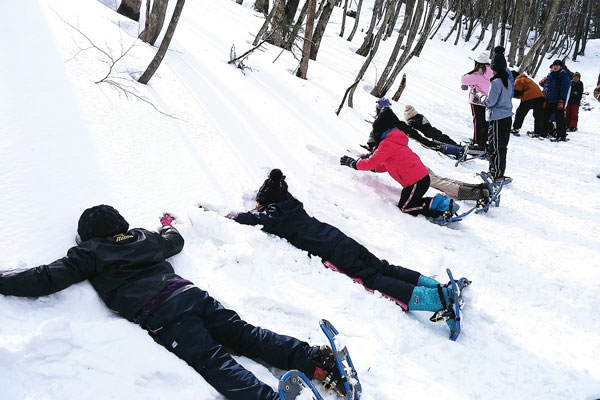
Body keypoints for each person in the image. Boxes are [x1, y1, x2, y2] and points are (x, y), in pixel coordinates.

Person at [0, 205, 345, 400]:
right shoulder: (142, 237)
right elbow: (174, 240)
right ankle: (315, 358)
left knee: (213, 361)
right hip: (191, 294)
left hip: (162, 312)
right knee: (246, 335)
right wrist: (166, 226)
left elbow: (45, 278)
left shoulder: (89, 252)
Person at [229, 169, 465, 338]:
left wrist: (230, 216)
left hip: (334, 253)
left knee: (373, 280)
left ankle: (437, 300)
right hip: (342, 239)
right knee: (385, 267)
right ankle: (438, 288)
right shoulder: (293, 205)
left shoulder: (275, 215)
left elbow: (251, 219)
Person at [340, 99, 457, 220]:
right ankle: (441, 204)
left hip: (416, 182)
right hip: (418, 180)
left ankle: (440, 210)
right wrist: (373, 169)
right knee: (410, 202)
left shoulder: (387, 144)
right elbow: (385, 165)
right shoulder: (394, 141)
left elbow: (372, 162)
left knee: (405, 207)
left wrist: (354, 164)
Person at [472, 46, 513, 182]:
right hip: (507, 117)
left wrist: (479, 96)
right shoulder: (508, 80)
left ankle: (496, 174)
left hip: (497, 118)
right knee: (502, 146)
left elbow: (490, 102)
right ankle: (498, 172)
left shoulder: (496, 82)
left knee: (495, 146)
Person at [461, 51, 493, 151]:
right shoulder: (489, 72)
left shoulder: (479, 73)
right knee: (482, 121)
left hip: (476, 99)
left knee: (477, 121)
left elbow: (464, 79)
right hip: (484, 98)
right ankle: (483, 140)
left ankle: (477, 142)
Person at [539, 59, 570, 141]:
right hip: (550, 99)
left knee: (559, 118)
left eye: (557, 65)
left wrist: (561, 99)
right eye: (554, 65)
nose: (555, 67)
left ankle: (561, 135)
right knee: (545, 116)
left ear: (561, 67)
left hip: (558, 100)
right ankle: (543, 132)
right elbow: (548, 87)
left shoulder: (563, 75)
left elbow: (564, 88)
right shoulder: (552, 75)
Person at [510, 70, 545, 137]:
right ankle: (537, 132)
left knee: (520, 112)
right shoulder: (526, 79)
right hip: (540, 97)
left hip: (529, 97)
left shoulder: (518, 80)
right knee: (538, 116)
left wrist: (508, 94)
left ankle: (516, 128)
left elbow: (516, 92)